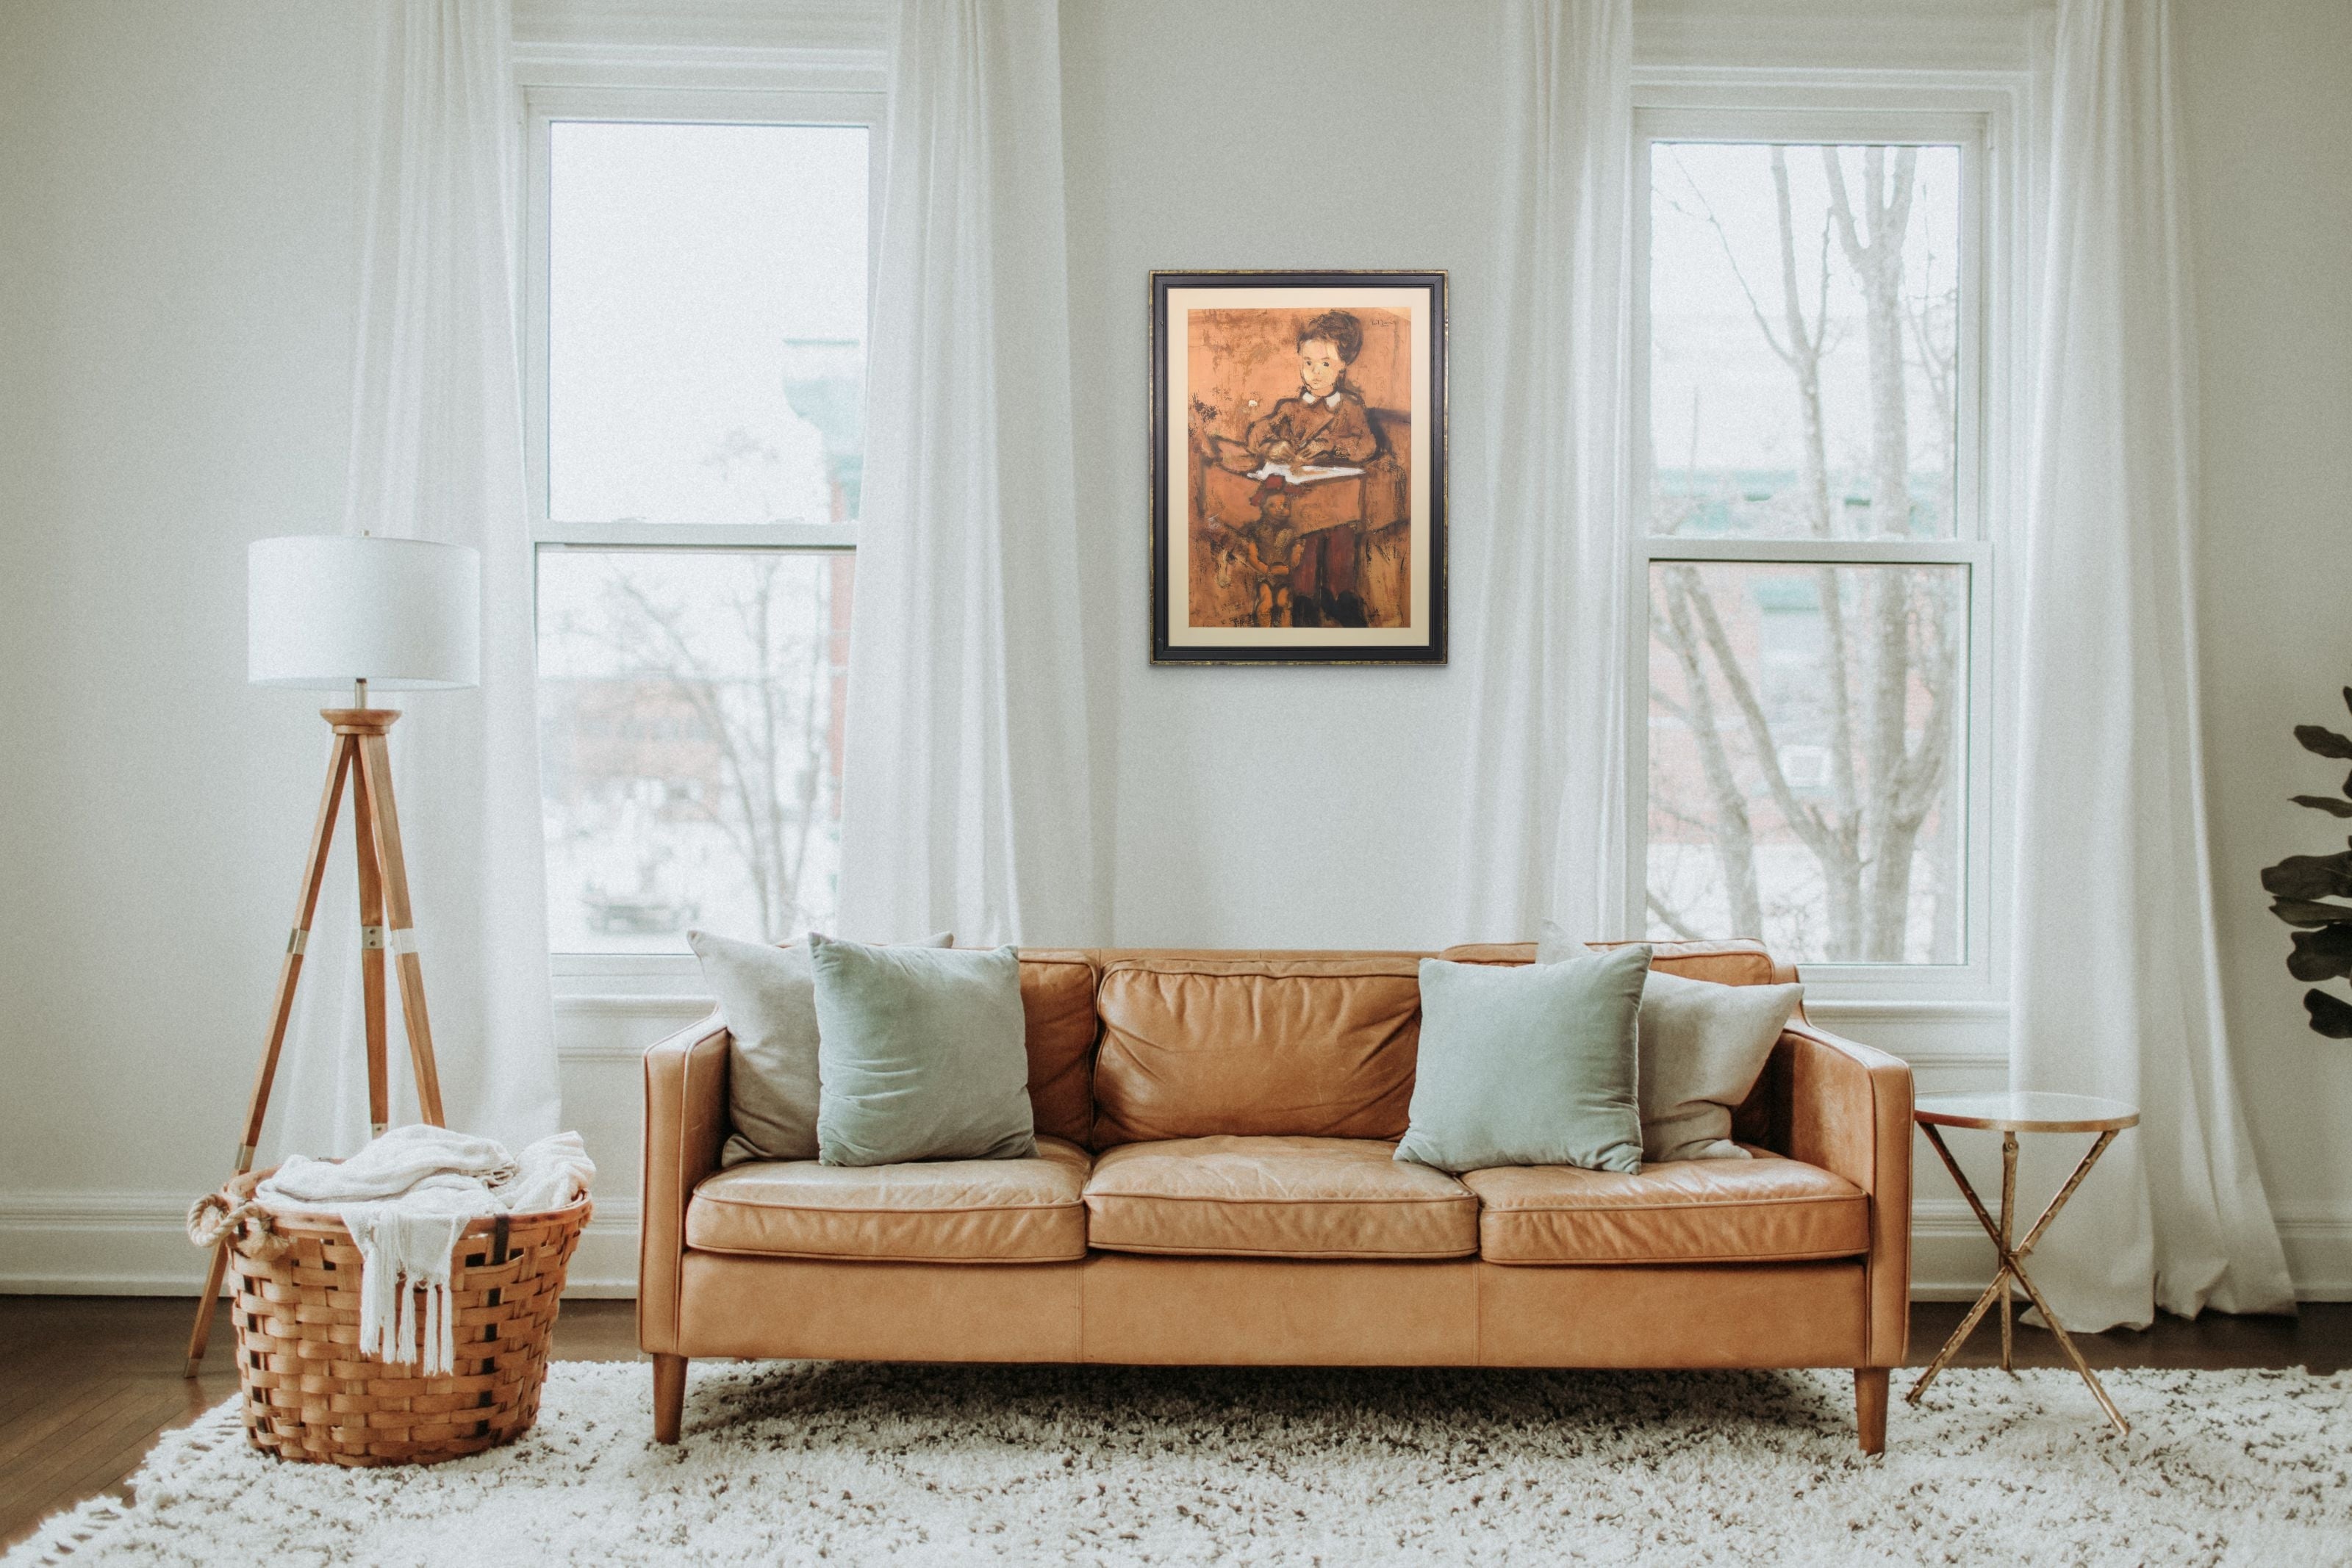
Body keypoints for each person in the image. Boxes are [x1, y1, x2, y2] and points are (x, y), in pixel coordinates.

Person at [1240, 311, 1381, 626]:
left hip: (1338, 490)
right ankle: (1304, 597)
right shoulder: (1290, 408)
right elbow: (1256, 435)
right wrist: (1271, 446)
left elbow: (1368, 446)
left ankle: (1340, 594)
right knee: (1304, 534)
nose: (1315, 373)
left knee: (1340, 532)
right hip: (1303, 492)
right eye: (1308, 363)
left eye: (1326, 364)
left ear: (1343, 366)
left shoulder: (1351, 408)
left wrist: (1331, 446)